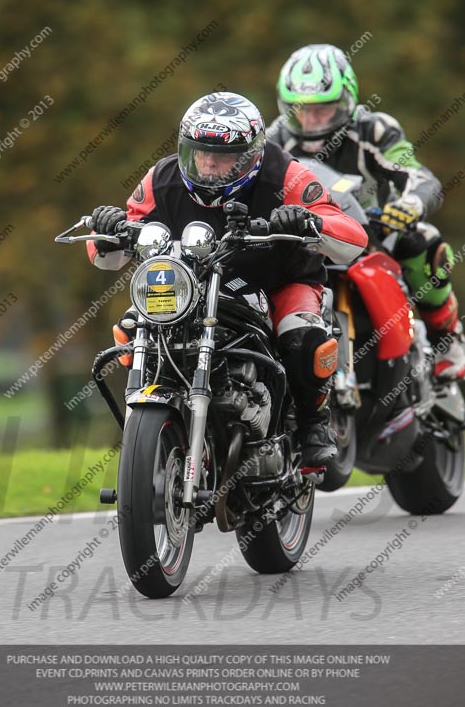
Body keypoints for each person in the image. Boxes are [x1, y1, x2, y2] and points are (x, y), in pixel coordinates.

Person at [87, 92, 367, 466]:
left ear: (253, 153)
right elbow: (117, 243)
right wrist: (110, 230)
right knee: (131, 328)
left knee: (304, 338)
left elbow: (352, 236)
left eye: (222, 158)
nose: (209, 166)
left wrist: (306, 219)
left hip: (278, 279)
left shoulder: (286, 174)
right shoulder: (161, 178)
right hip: (193, 283)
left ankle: (314, 422)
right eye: (200, 154)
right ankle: (153, 436)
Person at [267, 43, 465, 380]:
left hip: (376, 234)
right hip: (307, 239)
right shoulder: (274, 139)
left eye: (324, 109)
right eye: (303, 109)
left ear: (346, 101)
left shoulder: (374, 129)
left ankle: (447, 340)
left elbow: (420, 176)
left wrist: (410, 204)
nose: (313, 119)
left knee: (424, 240)